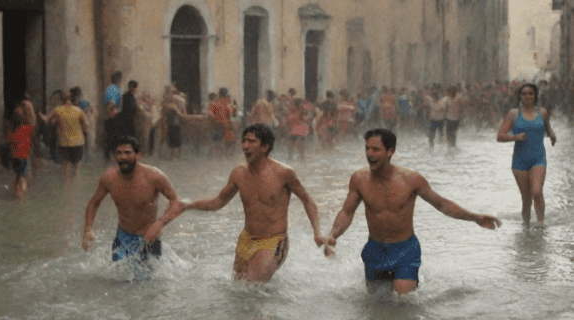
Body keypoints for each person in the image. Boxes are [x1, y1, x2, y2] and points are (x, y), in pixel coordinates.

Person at [324, 129, 501, 295]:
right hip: (374, 249)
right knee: (376, 305)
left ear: (389, 151)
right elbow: (346, 212)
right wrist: (333, 234)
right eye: (367, 148)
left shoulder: (411, 179)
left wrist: (475, 217)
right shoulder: (359, 179)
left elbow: (441, 204)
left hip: (405, 250)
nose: (370, 154)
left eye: (376, 149)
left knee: (403, 303)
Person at [183, 124, 326, 282]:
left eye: (251, 141)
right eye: (244, 141)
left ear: (265, 147)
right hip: (246, 239)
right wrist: (187, 205)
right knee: (237, 289)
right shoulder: (239, 174)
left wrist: (317, 232)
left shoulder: (284, 173)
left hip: (274, 240)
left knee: (251, 286)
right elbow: (218, 202)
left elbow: (307, 200)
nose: (245, 146)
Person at [82, 136, 185, 263]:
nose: (122, 157)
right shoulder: (109, 178)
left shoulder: (153, 177)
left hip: (149, 237)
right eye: (118, 153)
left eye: (127, 153)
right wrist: (88, 229)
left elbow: (176, 201)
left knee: (150, 280)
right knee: (119, 279)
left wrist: (160, 223)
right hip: (123, 236)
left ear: (138, 155)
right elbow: (94, 202)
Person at [497, 83, 557, 227]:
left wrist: (552, 134)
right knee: (526, 198)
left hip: (538, 158)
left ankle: (541, 223)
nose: (527, 96)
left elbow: (548, 128)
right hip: (519, 161)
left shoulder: (542, 112)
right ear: (520, 96)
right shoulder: (513, 114)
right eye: (524, 94)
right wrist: (515, 137)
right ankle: (526, 227)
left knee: (537, 191)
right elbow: (500, 136)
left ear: (535, 95)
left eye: (531, 93)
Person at [40, 91, 88, 187]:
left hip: (65, 142)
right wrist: (83, 132)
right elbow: (86, 124)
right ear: (73, 100)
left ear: (62, 100)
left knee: (66, 165)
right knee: (77, 165)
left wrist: (40, 114)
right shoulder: (78, 110)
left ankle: (66, 188)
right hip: (78, 142)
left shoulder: (58, 110)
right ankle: (74, 186)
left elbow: (46, 120)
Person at [6, 104, 36, 198]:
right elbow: (35, 124)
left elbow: (9, 142)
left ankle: (13, 190)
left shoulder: (11, 131)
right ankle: (20, 198)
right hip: (22, 158)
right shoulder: (26, 129)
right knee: (21, 178)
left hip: (14, 158)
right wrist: (30, 113)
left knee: (18, 175)